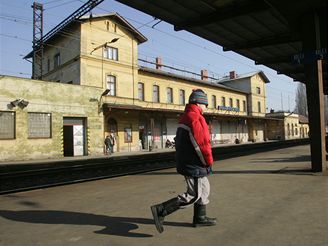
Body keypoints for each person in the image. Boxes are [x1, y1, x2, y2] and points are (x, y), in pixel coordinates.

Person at [151, 89, 216, 233]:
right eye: (205, 104)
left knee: (204, 189)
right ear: (199, 103)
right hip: (194, 163)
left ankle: (200, 218)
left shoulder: (187, 116)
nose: (206, 108)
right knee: (194, 195)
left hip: (189, 161)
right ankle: (161, 210)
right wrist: (208, 161)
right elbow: (201, 144)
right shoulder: (195, 118)